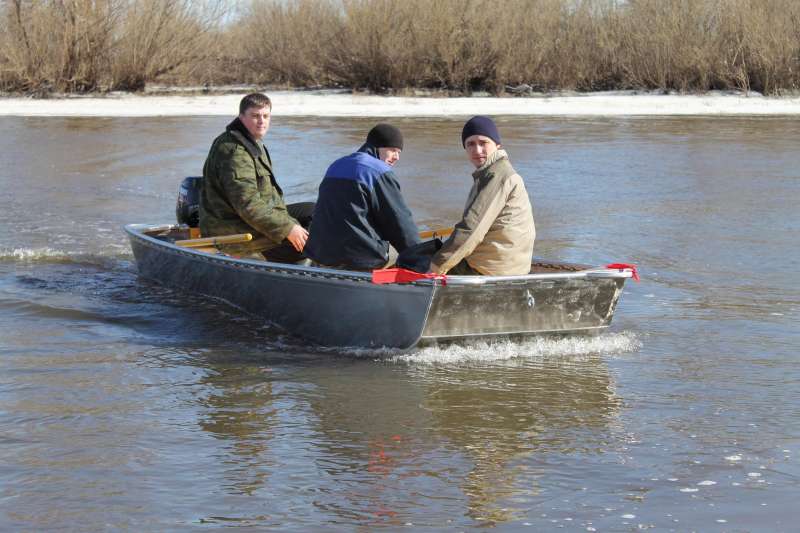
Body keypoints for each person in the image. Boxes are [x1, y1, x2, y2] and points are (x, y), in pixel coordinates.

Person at [199, 92, 311, 261]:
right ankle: (276, 263)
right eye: (255, 116)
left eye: (266, 116)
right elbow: (247, 205)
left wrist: (290, 223)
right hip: (232, 228)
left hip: (252, 218)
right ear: (241, 117)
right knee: (314, 245)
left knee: (313, 212)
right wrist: (288, 228)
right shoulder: (235, 151)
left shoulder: (251, 141)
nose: (261, 121)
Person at [304, 124, 421, 270]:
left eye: (399, 152)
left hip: (320, 254)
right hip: (360, 260)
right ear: (378, 146)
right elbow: (400, 222)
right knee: (403, 256)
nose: (396, 157)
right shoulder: (379, 171)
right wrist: (421, 258)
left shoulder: (336, 165)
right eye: (393, 150)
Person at [429, 116, 535, 276]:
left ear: (497, 145)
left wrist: (435, 268)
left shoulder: (496, 175)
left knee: (418, 257)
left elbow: (470, 229)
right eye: (470, 144)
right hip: (512, 266)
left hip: (491, 271)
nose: (477, 150)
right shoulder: (499, 171)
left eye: (483, 143)